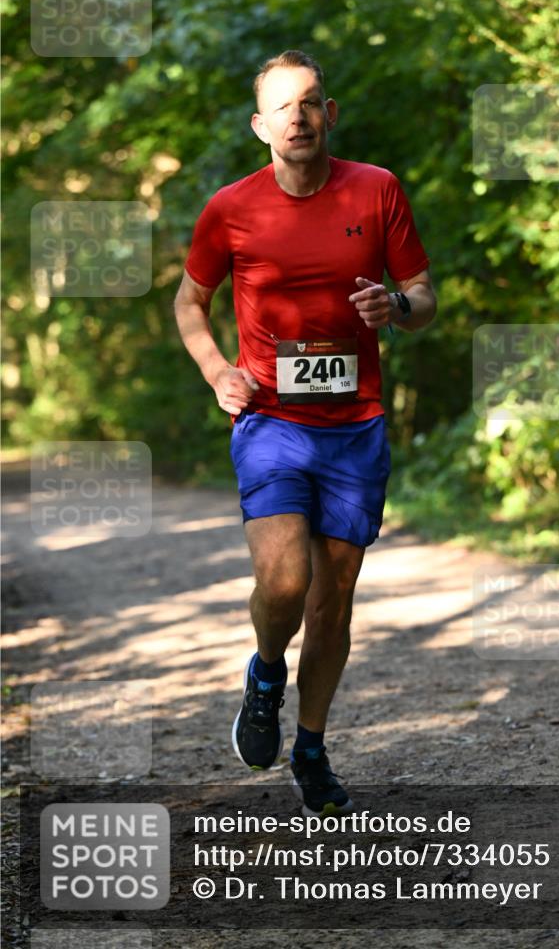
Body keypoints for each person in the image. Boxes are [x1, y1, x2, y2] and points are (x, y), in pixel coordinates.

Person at [174, 50, 436, 818]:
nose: (299, 117)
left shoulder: (376, 189)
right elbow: (189, 302)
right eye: (283, 106)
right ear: (260, 126)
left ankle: (311, 747)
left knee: (332, 603)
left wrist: (397, 306)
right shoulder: (230, 208)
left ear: (330, 114)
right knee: (285, 580)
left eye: (311, 102)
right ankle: (265, 675)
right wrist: (217, 371)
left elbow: (422, 296)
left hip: (355, 426)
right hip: (272, 420)